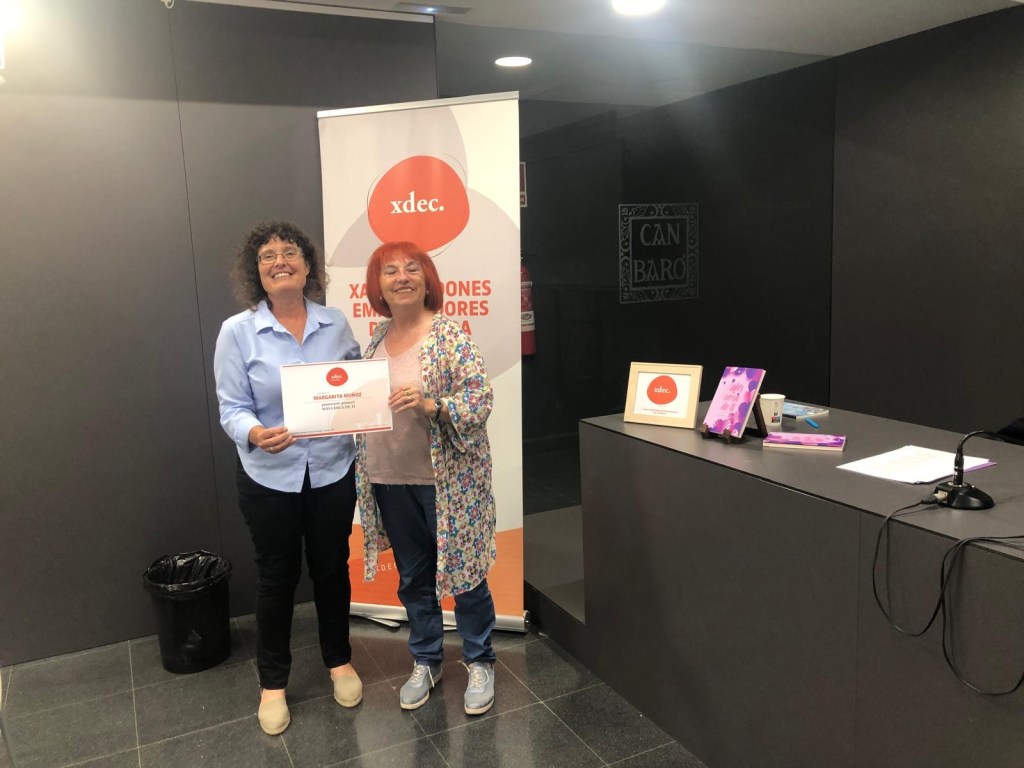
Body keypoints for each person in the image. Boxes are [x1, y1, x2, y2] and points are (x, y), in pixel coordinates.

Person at [213, 221, 363, 735]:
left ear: (307, 264)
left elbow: (354, 384)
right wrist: (254, 433)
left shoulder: (335, 323)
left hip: (332, 471)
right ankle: (273, 683)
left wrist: (363, 405)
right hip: (269, 478)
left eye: (290, 252)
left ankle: (339, 661)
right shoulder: (237, 332)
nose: (280, 261)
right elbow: (231, 407)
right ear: (255, 271)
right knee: (276, 578)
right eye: (268, 256)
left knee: (332, 569)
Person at [355, 241, 499, 715]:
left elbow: (479, 399)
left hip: (447, 484)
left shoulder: (450, 336)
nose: (402, 277)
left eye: (411, 269)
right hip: (389, 479)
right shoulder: (374, 340)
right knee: (414, 576)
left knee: (466, 574)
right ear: (378, 287)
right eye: (390, 271)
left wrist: (432, 405)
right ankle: (426, 659)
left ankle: (480, 659)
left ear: (426, 280)